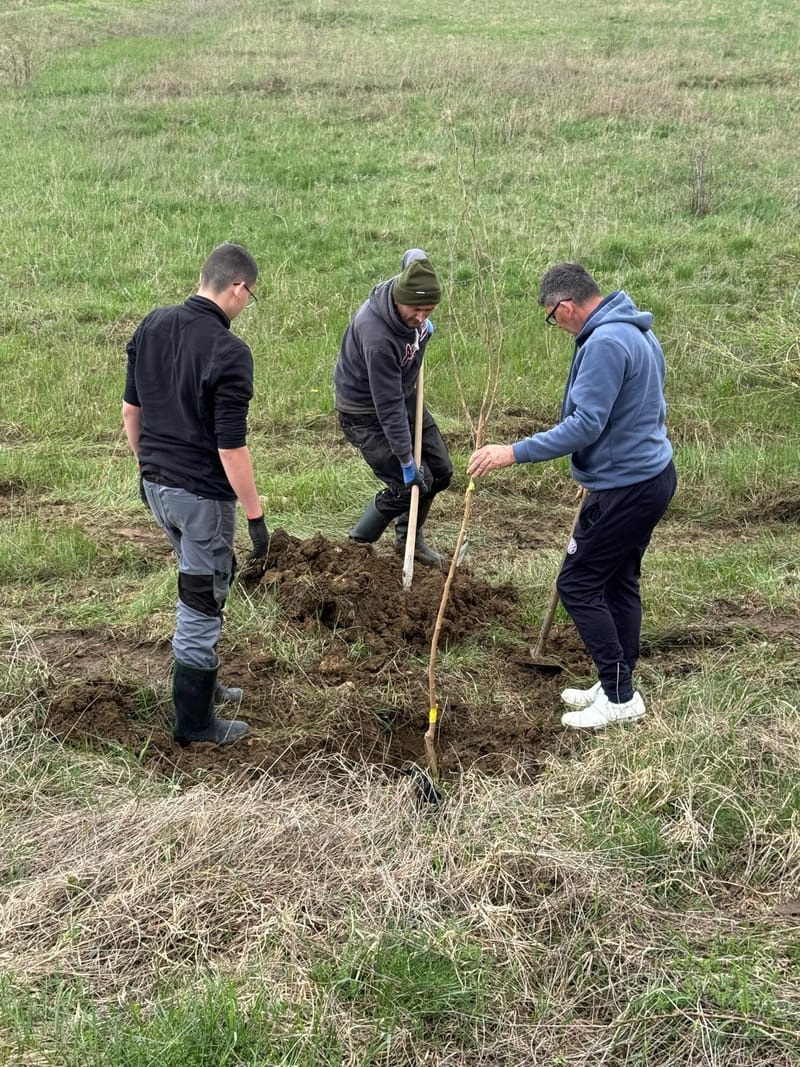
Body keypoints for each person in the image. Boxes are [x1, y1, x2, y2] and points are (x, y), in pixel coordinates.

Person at [468, 262, 677, 730]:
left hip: (628, 488)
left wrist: (512, 452)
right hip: (646, 477)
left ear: (564, 307)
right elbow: (646, 408)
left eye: (551, 317)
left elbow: (585, 423)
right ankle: (615, 682)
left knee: (577, 584)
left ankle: (621, 699)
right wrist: (599, 464)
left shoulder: (604, 343)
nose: (556, 325)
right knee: (618, 580)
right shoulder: (636, 330)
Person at [122, 242, 269, 746]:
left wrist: (149, 469)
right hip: (201, 497)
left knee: (195, 581)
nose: (246, 303)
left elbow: (130, 412)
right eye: (250, 295)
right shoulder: (230, 352)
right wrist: (255, 517)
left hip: (156, 487)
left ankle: (204, 686)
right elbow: (231, 450)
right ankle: (195, 724)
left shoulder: (151, 325)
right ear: (237, 287)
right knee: (201, 603)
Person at [333, 249, 453, 567]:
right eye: (416, 310)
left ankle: (409, 540)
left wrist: (421, 336)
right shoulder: (376, 336)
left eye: (429, 310)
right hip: (365, 411)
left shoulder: (409, 299)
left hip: (403, 394)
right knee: (407, 483)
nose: (422, 318)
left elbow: (413, 256)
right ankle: (355, 548)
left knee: (440, 473)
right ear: (400, 300)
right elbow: (387, 407)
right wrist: (405, 460)